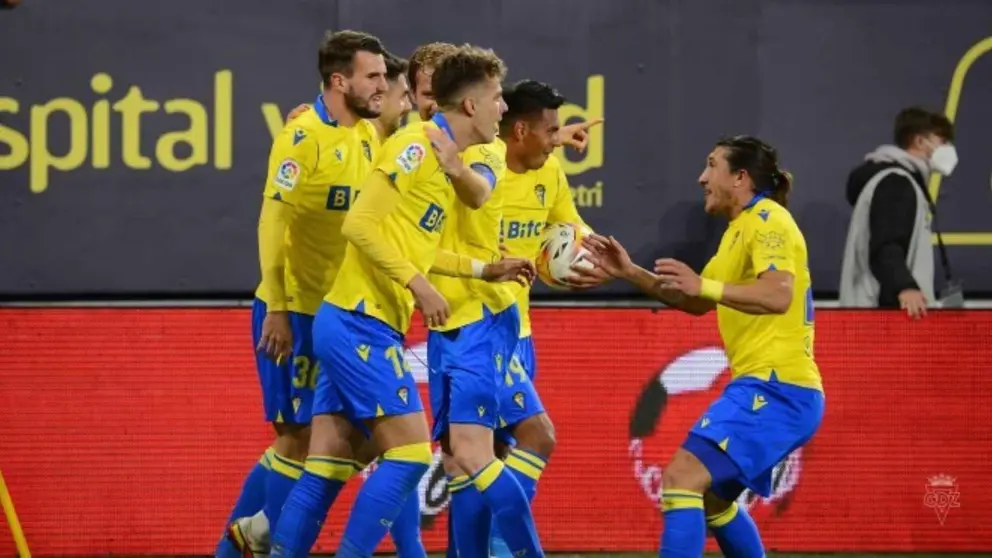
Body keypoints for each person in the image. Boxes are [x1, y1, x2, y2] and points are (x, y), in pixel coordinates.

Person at [267, 44, 537, 558]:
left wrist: (483, 269)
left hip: (358, 319)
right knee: (411, 454)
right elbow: (358, 225)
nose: (504, 108)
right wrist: (418, 285)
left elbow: (419, 246)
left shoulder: (444, 158)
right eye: (497, 98)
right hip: (357, 320)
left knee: (325, 468)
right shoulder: (415, 147)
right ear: (472, 105)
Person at [583, 136, 825, 558]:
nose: (701, 177)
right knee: (713, 502)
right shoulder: (739, 230)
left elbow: (777, 295)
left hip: (777, 388)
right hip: (772, 388)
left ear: (740, 177)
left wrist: (705, 286)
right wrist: (629, 272)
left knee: (680, 480)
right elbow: (694, 300)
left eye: (712, 165)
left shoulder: (769, 219)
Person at [218, 29, 388, 558]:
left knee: (368, 438)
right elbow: (272, 222)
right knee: (295, 439)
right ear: (339, 81)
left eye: (385, 76)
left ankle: (261, 529)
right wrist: (278, 307)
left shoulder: (368, 134)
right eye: (373, 76)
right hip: (296, 311)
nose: (383, 86)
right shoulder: (301, 137)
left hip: (342, 315)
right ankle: (254, 543)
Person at [486, 79, 610, 558]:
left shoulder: (550, 171)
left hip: (520, 331)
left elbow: (569, 224)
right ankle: (504, 549)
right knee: (532, 438)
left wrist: (589, 254)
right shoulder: (482, 168)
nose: (558, 140)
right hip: (478, 328)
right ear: (520, 130)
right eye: (551, 130)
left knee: (489, 457)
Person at [839, 106, 958, 318]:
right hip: (885, 316)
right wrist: (905, 286)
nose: (948, 148)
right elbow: (886, 243)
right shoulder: (897, 183)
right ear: (920, 141)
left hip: (879, 313)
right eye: (942, 141)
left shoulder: (898, 180)